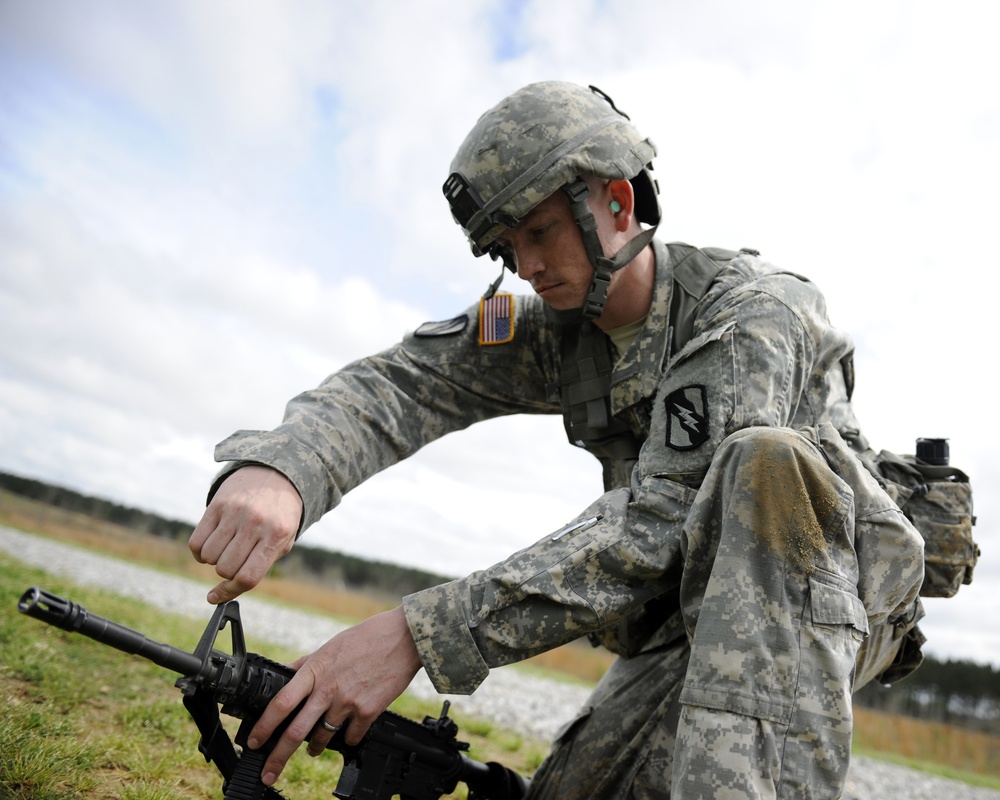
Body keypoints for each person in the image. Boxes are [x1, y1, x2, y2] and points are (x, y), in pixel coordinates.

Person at [188, 81, 925, 799]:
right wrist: (287, 467)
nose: (529, 267)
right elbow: (410, 382)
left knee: (763, 462)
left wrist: (415, 634)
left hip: (818, 597)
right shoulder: (560, 329)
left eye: (539, 232)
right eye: (510, 246)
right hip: (679, 613)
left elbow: (661, 519)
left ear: (618, 201)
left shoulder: (752, 313)